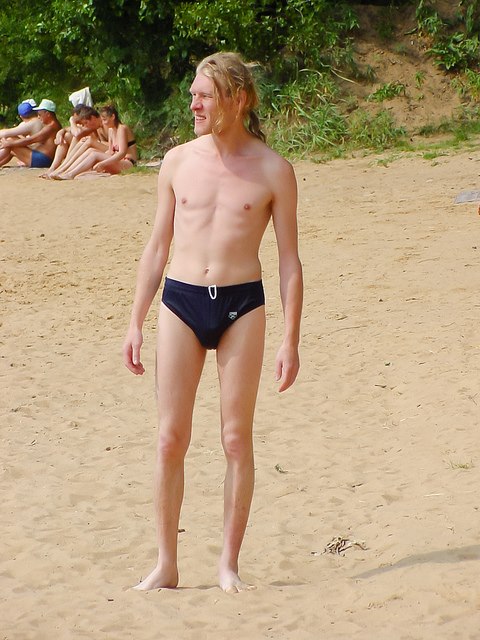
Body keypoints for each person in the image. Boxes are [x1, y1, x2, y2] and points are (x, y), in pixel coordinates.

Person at [122, 51, 303, 593]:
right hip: (179, 300)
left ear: (237, 99)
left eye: (204, 94)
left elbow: (290, 262)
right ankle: (167, 564)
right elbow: (157, 247)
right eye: (194, 93)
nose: (193, 103)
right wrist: (135, 320)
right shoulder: (177, 161)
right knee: (169, 438)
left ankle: (227, 563)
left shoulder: (275, 170)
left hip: (242, 305)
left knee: (234, 438)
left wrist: (290, 340)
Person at [51, 104, 137, 179]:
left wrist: (102, 163)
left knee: (94, 153)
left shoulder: (122, 128)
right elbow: (111, 151)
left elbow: (121, 153)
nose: (103, 123)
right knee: (91, 151)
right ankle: (64, 171)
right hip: (117, 161)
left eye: (104, 120)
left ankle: (70, 174)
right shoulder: (111, 130)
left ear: (113, 117)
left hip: (128, 163)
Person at [41, 105, 108, 179]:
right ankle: (59, 168)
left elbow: (114, 145)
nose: (85, 126)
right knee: (67, 137)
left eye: (85, 123)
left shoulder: (105, 125)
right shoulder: (94, 126)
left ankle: (63, 168)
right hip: (99, 149)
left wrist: (72, 121)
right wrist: (60, 133)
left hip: (107, 151)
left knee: (81, 139)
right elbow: (68, 129)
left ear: (92, 118)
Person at [0, 99, 61, 168]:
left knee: (10, 141)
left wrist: (10, 143)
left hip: (42, 159)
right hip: (42, 157)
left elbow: (31, 140)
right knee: (11, 142)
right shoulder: (53, 125)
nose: (38, 117)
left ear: (47, 114)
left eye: (40, 115)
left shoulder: (51, 127)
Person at [0, 100, 43, 167]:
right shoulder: (39, 121)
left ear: (21, 116)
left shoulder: (32, 123)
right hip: (40, 154)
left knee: (10, 141)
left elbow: (4, 133)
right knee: (12, 141)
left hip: (38, 156)